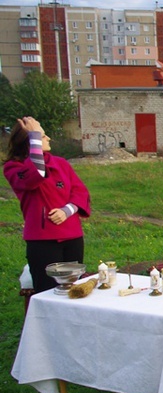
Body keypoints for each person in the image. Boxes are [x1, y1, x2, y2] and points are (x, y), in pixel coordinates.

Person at [4, 116, 91, 293]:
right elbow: (35, 173)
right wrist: (34, 134)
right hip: (42, 240)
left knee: (73, 289)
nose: (48, 138)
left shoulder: (61, 163)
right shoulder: (14, 168)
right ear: (30, 141)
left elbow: (81, 192)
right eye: (42, 136)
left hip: (72, 236)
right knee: (48, 290)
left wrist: (67, 210)